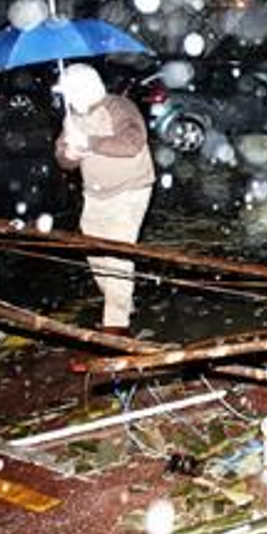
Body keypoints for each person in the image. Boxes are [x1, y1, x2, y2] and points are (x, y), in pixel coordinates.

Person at [53, 63, 155, 333]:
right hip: (96, 194)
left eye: (71, 92)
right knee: (96, 252)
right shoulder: (72, 116)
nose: (67, 99)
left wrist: (89, 141)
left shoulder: (118, 107)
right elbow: (62, 157)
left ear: (86, 88)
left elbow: (134, 142)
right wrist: (69, 155)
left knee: (117, 256)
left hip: (129, 189)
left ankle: (116, 329)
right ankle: (121, 300)